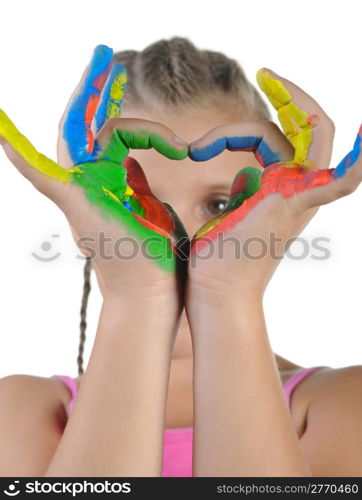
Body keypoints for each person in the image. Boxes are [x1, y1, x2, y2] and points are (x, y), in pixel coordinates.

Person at [0, 38, 361, 477]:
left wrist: (225, 296)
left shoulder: (341, 405)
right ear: (83, 229)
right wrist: (140, 298)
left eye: (221, 206)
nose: (182, 242)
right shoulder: (21, 412)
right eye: (135, 199)